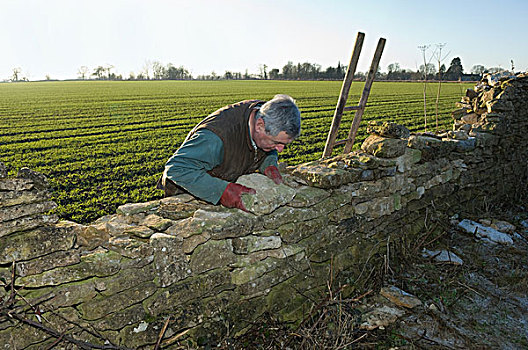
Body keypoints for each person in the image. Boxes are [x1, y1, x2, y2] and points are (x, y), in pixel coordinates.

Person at [157, 94, 301, 211]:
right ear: (259, 126)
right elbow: (176, 168)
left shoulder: (267, 114)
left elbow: (262, 145)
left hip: (226, 177)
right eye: (276, 143)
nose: (280, 149)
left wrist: (269, 163)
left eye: (284, 144)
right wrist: (221, 191)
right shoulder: (216, 137)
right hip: (189, 193)